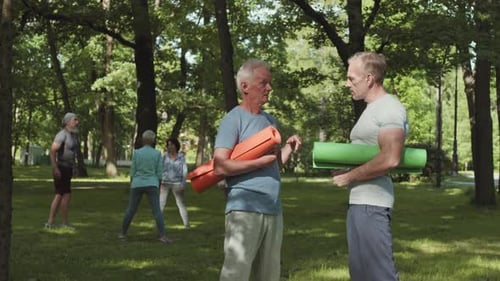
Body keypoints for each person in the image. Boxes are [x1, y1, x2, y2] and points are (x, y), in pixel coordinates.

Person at [213, 59, 302, 281]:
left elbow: (274, 164)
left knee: (269, 275)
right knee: (237, 274)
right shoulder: (233, 119)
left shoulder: (269, 120)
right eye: (263, 83)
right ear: (245, 86)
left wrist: (288, 149)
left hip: (273, 208)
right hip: (245, 207)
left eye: (269, 83)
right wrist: (259, 163)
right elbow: (220, 165)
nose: (269, 88)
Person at [332, 51, 408, 281]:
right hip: (359, 203)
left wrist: (349, 177)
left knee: (380, 276)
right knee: (361, 276)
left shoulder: (389, 107)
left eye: (351, 78)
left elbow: (390, 157)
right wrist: (345, 170)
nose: (347, 84)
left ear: (369, 78)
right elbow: (370, 154)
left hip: (372, 204)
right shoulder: (372, 109)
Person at [119, 130, 172, 244]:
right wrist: (158, 185)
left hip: (137, 183)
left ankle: (123, 234)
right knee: (156, 210)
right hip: (152, 183)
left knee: (131, 209)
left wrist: (132, 183)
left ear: (143, 140)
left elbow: (133, 170)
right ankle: (162, 235)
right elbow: (159, 172)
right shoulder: (157, 154)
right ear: (153, 141)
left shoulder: (137, 153)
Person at [45, 112, 79, 229]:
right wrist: (55, 167)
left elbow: (72, 153)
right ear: (68, 121)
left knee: (66, 195)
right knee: (59, 194)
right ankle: (50, 222)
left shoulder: (73, 135)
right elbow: (52, 151)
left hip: (68, 168)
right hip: (61, 168)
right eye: (75, 120)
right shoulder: (61, 135)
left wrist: (74, 167)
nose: (76, 122)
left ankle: (64, 223)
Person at [159, 137, 190, 229]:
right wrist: (160, 182)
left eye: (171, 144)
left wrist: (183, 184)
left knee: (181, 204)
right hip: (165, 183)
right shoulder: (164, 156)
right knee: (161, 204)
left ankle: (187, 225)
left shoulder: (181, 157)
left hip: (177, 183)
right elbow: (160, 169)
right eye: (168, 145)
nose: (170, 147)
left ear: (176, 146)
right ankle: (158, 223)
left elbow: (184, 171)